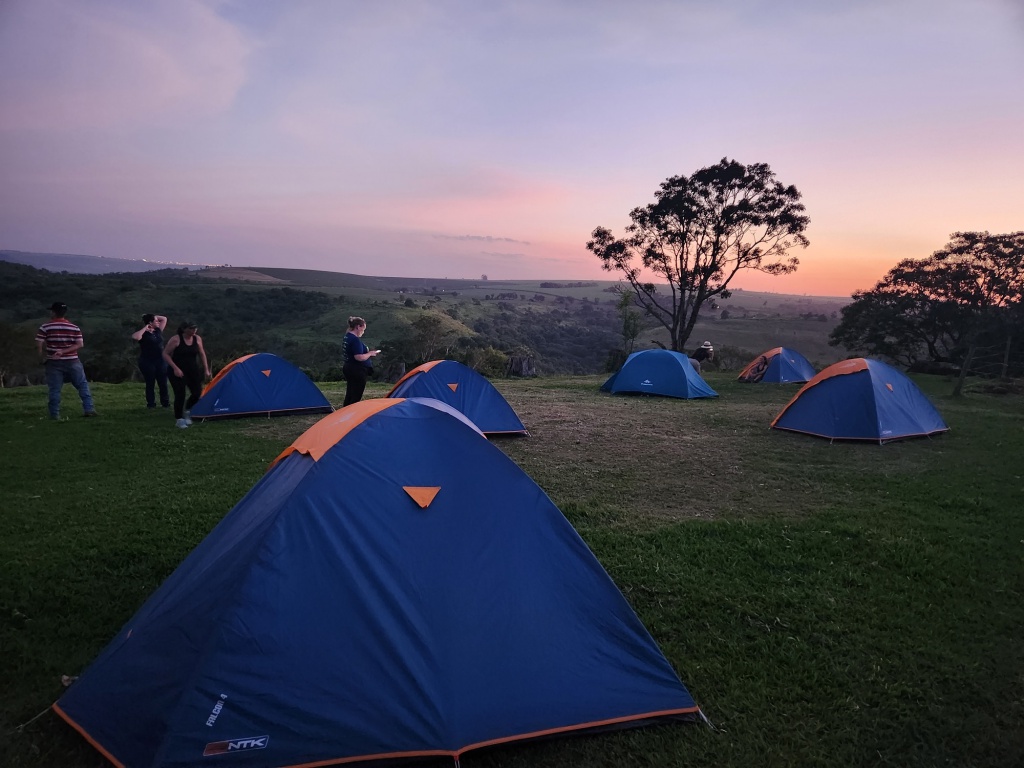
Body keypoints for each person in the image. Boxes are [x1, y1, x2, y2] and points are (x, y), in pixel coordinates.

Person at [35, 301, 97, 419]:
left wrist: (41, 357)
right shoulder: (74, 327)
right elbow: (80, 344)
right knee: (82, 385)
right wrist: (64, 351)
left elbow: (39, 344)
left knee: (55, 389)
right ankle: (89, 409)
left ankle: (54, 414)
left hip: (53, 362)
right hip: (72, 360)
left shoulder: (45, 327)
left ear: (53, 312)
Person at [162, 321, 211, 429]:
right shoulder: (176, 339)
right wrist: (175, 368)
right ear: (184, 329)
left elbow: (202, 354)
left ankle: (187, 410)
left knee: (197, 393)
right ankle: (179, 419)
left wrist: (206, 369)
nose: (194, 330)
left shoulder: (197, 339)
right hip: (177, 371)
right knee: (180, 394)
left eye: (195, 328)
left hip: (192, 370)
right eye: (191, 328)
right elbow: (165, 354)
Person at [131, 313, 170, 408]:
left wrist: (151, 315)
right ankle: (151, 404)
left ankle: (165, 403)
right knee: (150, 383)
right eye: (155, 321)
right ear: (150, 322)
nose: (158, 322)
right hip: (147, 361)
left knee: (163, 383)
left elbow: (164, 318)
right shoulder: (143, 334)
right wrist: (145, 327)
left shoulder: (158, 331)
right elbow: (135, 337)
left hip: (160, 360)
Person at [342, 316, 380, 406]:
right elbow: (359, 357)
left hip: (348, 367)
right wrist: (370, 353)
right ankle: (352, 415)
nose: (363, 332)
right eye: (363, 329)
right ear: (358, 327)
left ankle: (345, 412)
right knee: (356, 395)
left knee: (350, 393)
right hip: (357, 370)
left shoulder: (347, 337)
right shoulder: (355, 340)